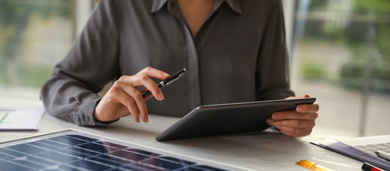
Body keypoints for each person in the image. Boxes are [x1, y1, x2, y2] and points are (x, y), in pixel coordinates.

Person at [40, 0, 319, 137]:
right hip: (145, 165)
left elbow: (274, 93)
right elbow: (59, 85)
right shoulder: (122, 4)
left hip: (241, 167)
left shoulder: (264, 5)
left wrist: (291, 116)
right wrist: (98, 109)